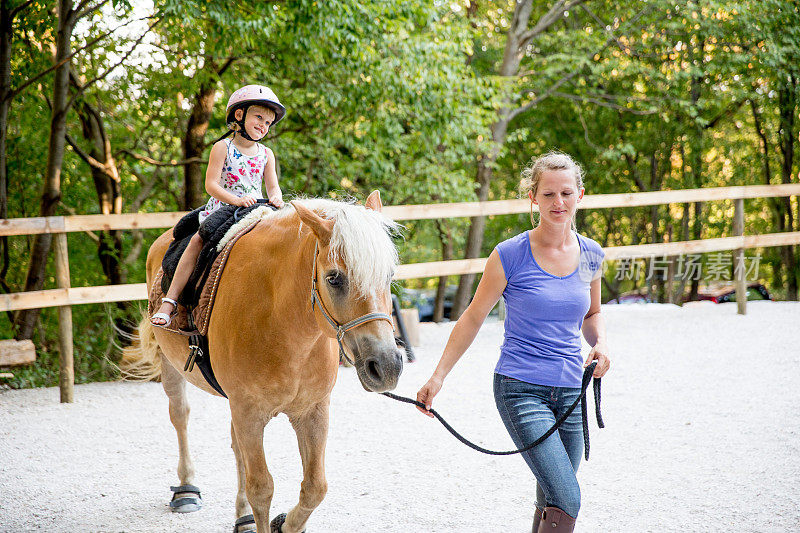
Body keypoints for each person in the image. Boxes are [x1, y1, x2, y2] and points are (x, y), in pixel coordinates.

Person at [416, 151, 611, 533]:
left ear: (580, 196)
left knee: (553, 495)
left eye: (566, 193)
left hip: (571, 388)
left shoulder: (591, 253)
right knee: (568, 496)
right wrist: (437, 377)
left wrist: (602, 343)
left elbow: (592, 315)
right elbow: (472, 317)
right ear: (533, 198)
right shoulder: (509, 254)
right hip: (520, 388)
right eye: (549, 194)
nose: (559, 203)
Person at [151, 85, 286, 326]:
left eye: (268, 122)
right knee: (197, 240)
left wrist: (276, 197)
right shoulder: (223, 148)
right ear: (239, 115)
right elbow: (211, 185)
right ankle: (170, 300)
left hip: (256, 209)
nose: (263, 125)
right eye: (259, 117)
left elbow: (272, 186)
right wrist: (236, 200)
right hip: (224, 207)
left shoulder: (267, 154)